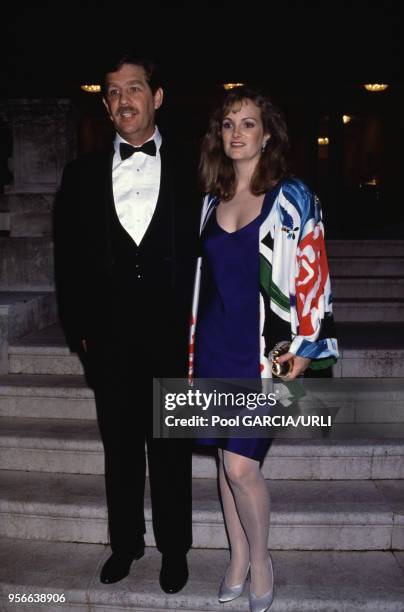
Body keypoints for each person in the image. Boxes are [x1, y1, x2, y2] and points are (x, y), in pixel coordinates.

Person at [189, 86, 338, 611]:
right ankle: (235, 558)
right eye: (228, 124)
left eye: (247, 123)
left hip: (265, 354)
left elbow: (313, 275)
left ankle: (262, 559)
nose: (236, 133)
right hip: (212, 348)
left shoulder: (294, 196)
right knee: (222, 462)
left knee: (240, 467)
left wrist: (306, 345)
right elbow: (201, 281)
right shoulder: (211, 198)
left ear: (267, 133)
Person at [54, 53, 198, 592]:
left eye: (134, 88)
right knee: (119, 446)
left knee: (171, 448)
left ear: (157, 97)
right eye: (113, 92)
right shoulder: (80, 174)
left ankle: (175, 550)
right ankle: (126, 544)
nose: (124, 101)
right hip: (109, 339)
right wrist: (81, 334)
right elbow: (65, 261)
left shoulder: (194, 168)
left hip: (173, 337)